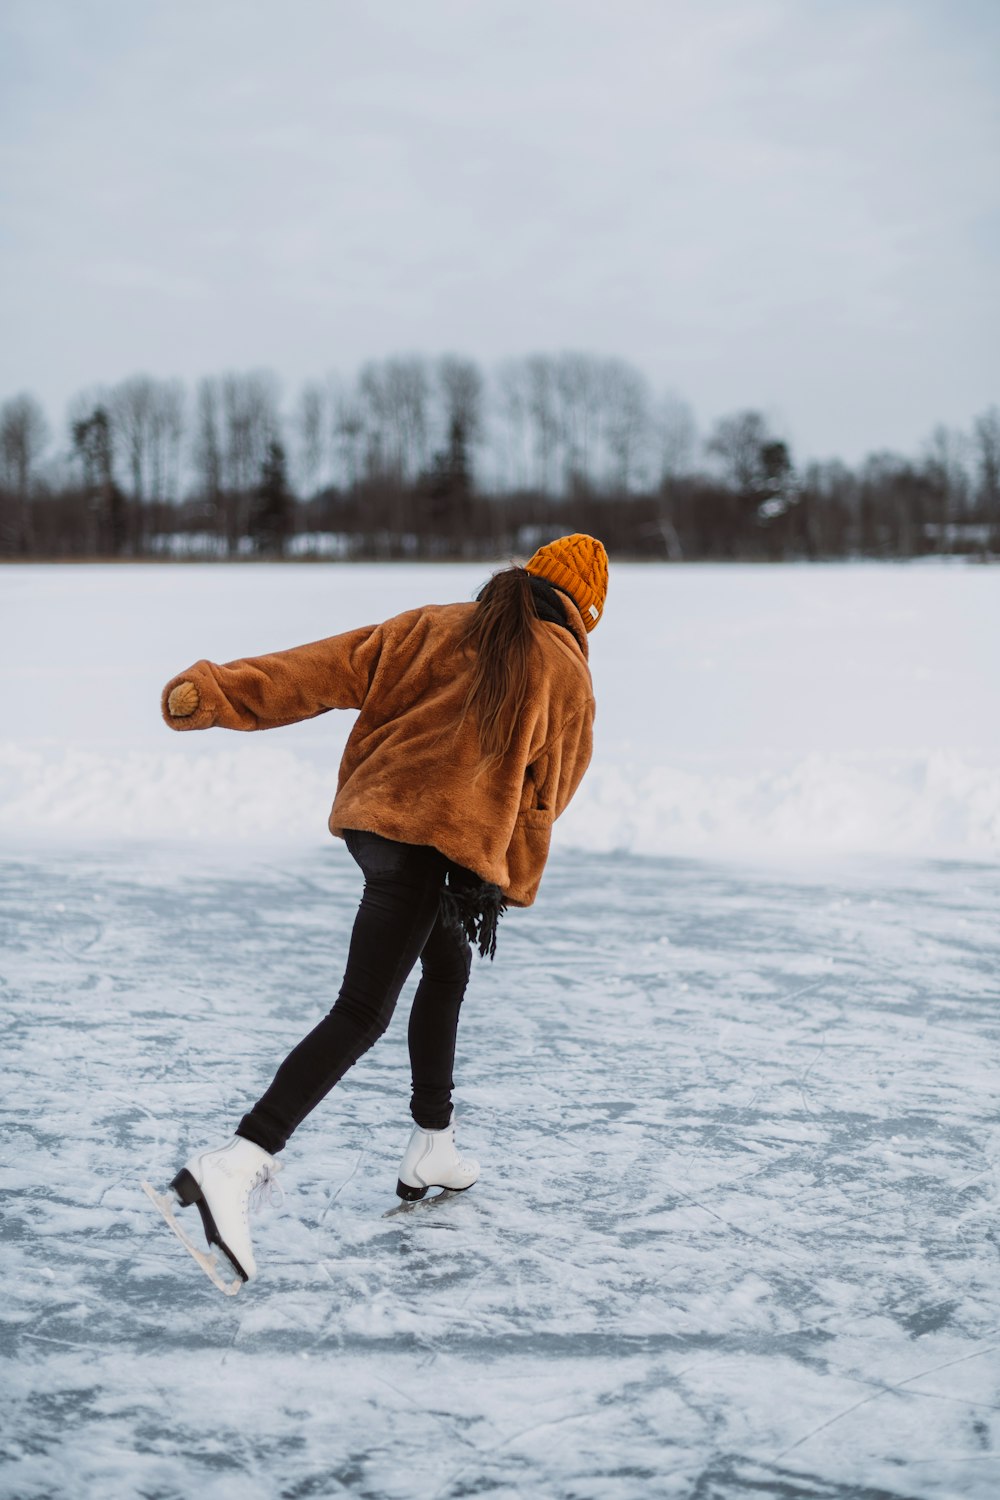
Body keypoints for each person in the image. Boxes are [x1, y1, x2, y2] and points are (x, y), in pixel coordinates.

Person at [155, 533, 607, 1287]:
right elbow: (543, 798)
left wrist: (217, 691)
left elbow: (320, 671)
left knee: (447, 965)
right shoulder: (566, 671)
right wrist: (500, 880)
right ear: (582, 613)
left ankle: (434, 1140)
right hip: (439, 847)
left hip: (375, 824)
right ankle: (236, 1163)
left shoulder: (432, 624)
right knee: (362, 1010)